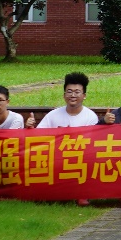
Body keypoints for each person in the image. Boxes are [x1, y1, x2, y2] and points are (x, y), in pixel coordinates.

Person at [36, 72, 100, 207]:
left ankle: (82, 194)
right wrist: (30, 128)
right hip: (56, 157)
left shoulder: (90, 117)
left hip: (80, 158)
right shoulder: (52, 115)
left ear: (84, 95)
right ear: (64, 95)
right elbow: (38, 136)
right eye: (69, 92)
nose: (73, 95)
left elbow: (91, 144)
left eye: (77, 92)